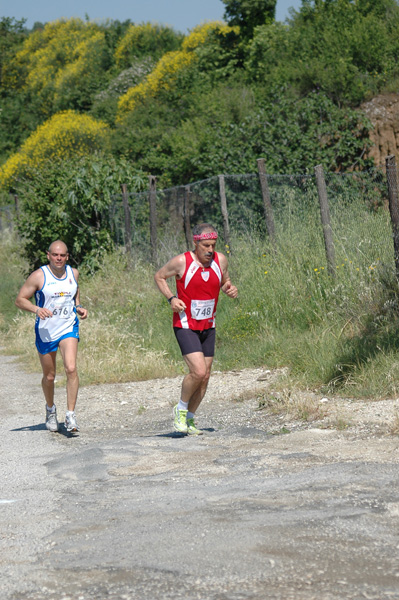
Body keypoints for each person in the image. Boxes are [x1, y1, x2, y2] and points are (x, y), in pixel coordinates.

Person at [154, 223, 238, 435]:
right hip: (185, 325)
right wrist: (171, 298)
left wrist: (229, 288)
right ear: (196, 243)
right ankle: (180, 409)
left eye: (213, 245)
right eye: (206, 245)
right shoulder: (182, 261)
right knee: (198, 371)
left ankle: (189, 419)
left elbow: (225, 280)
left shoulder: (221, 260)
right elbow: (159, 276)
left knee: (206, 375)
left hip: (208, 325)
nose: (210, 250)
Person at [15, 240, 88, 433]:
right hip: (46, 331)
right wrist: (37, 309)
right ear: (48, 255)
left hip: (68, 326)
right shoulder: (39, 276)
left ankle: (70, 415)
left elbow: (75, 291)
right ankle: (50, 410)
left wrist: (78, 306)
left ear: (67, 257)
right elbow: (20, 300)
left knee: (71, 368)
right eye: (55, 255)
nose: (59, 258)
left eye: (62, 255)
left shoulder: (73, 273)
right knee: (49, 376)